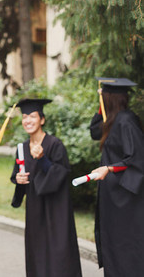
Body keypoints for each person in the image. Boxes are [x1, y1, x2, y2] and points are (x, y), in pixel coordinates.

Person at [10, 98, 81, 277]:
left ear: (42, 119)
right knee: (37, 251)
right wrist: (18, 179)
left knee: (59, 253)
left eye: (32, 116)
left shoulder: (54, 144)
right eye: (25, 117)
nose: (27, 120)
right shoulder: (22, 148)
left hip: (56, 208)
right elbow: (17, 175)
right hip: (35, 208)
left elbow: (60, 174)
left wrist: (42, 158)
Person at [89, 77, 144, 276]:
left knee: (125, 244)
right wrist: (100, 106)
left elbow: (137, 159)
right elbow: (94, 131)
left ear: (110, 98)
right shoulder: (113, 120)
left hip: (126, 198)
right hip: (113, 197)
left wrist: (108, 169)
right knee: (113, 241)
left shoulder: (127, 121)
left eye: (103, 97)